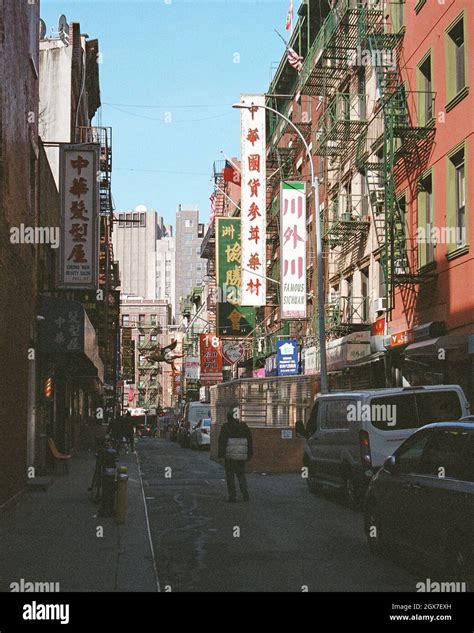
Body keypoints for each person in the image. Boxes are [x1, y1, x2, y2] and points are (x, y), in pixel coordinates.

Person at [218, 408, 253, 503]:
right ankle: (245, 494)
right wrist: (249, 454)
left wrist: (221, 454)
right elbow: (250, 441)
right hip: (241, 456)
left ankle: (232, 496)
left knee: (230, 477)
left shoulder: (226, 427)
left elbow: (222, 441)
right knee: (241, 475)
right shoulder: (244, 427)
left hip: (229, 457)